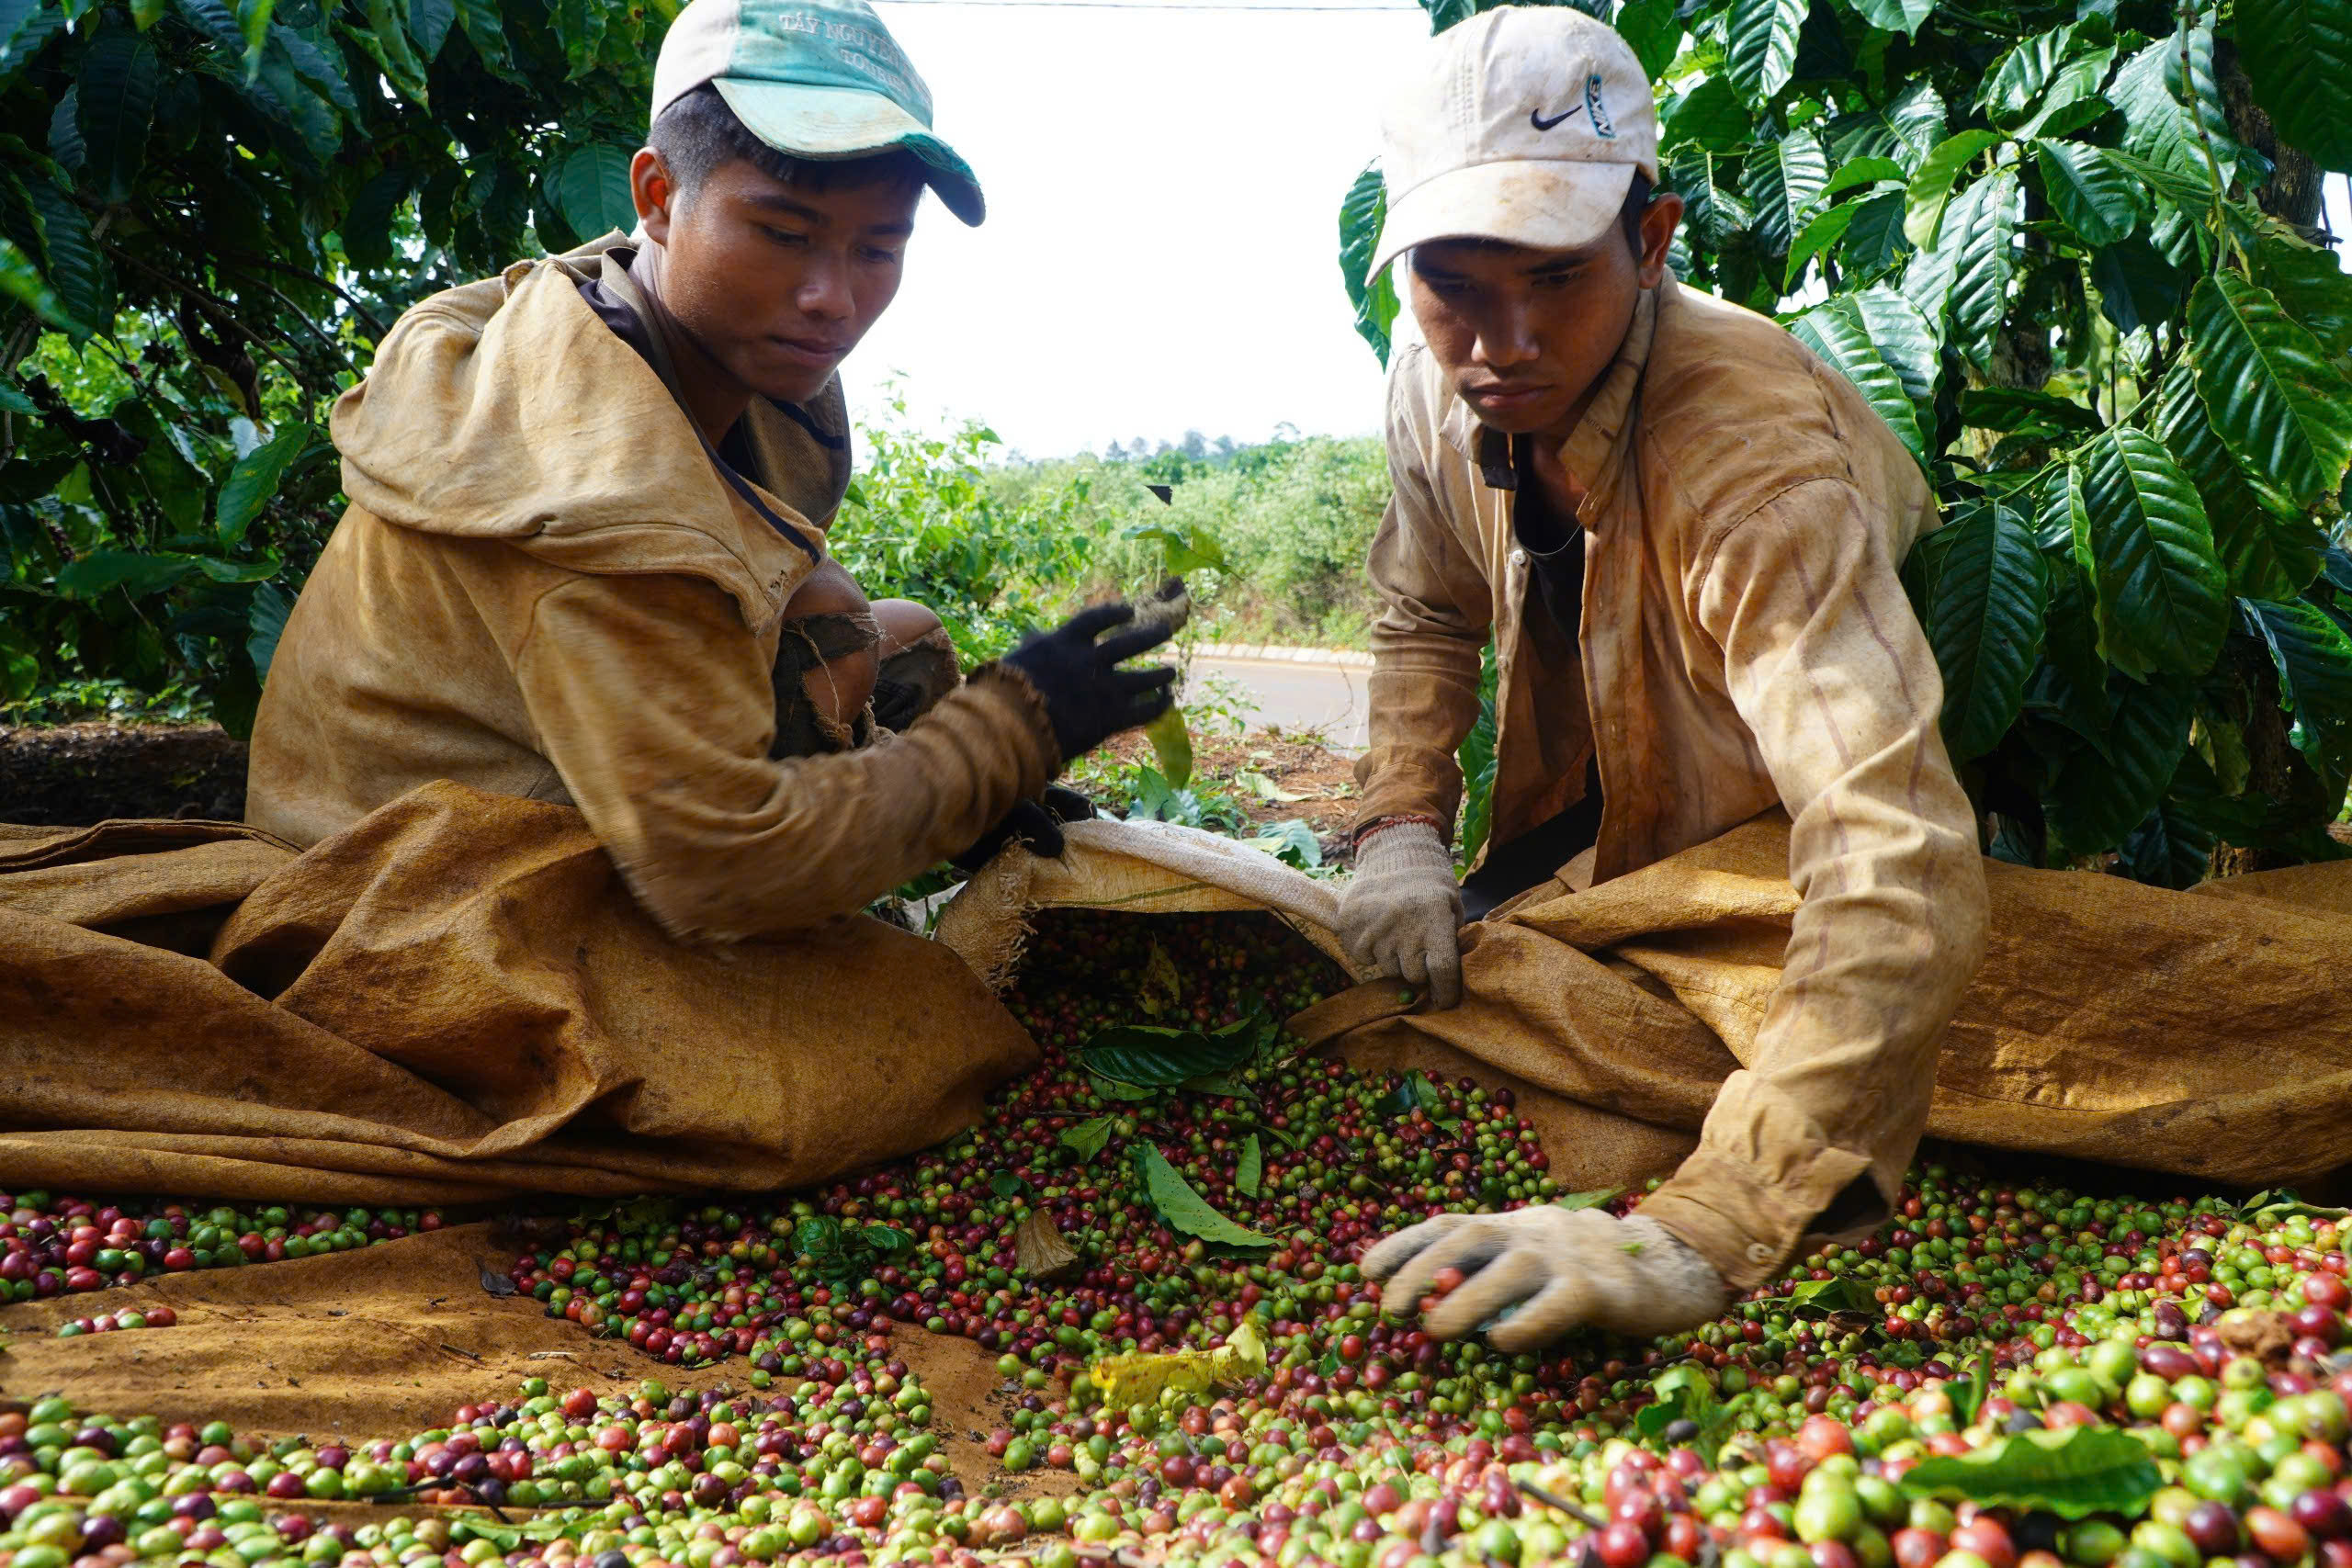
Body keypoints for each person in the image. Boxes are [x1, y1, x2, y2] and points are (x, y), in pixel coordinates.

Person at [1339, 6, 1990, 1348]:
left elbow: (1888, 839)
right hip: (1591, 808)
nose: (1498, 342)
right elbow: (1421, 607)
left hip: (1776, 800)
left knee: (1958, 1047)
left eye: (1556, 280)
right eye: (1455, 284)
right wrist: (1401, 824)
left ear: (1649, 243)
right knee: (1401, 1015)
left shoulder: (1749, 464)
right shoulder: (1430, 374)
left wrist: (1708, 1226)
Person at [246, 0, 1154, 935]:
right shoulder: (602, 493)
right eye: (783, 234)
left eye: (878, 248)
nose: (831, 300)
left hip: (566, 752)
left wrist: (943, 806)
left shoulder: (659, 317)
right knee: (885, 1052)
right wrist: (996, 743)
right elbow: (717, 876)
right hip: (411, 885)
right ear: (657, 199)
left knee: (881, 632)